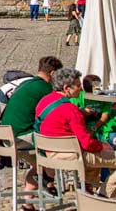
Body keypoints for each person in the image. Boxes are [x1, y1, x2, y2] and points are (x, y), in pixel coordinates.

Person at [36, 67, 116, 197]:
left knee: (95, 157)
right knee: (102, 150)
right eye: (78, 86)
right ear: (67, 88)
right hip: (71, 155)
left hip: (49, 153)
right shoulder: (70, 109)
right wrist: (103, 145)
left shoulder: (44, 101)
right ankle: (103, 196)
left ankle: (88, 190)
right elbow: (87, 143)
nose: (81, 89)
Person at [0, 55, 63, 206]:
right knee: (57, 146)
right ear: (53, 73)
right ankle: (47, 181)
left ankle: (28, 203)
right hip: (20, 137)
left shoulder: (27, 83)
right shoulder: (44, 88)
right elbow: (56, 114)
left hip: (6, 136)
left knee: (42, 162)